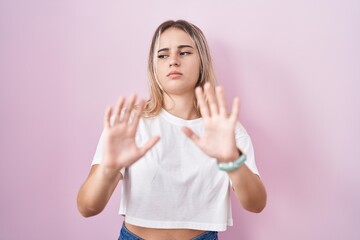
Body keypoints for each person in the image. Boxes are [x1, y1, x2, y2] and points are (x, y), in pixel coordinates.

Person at [77, 20, 267, 240]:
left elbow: (256, 204)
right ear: (154, 66)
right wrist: (109, 168)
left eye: (184, 53)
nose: (173, 61)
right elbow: (87, 207)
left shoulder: (225, 128)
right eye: (163, 55)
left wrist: (232, 162)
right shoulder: (129, 124)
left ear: (202, 62)